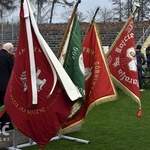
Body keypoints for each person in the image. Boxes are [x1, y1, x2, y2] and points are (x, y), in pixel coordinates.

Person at [0, 42, 14, 130]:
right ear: (10, 49)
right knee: (6, 105)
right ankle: (6, 125)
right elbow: (13, 72)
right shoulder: (9, 57)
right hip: (5, 86)